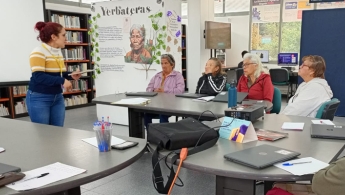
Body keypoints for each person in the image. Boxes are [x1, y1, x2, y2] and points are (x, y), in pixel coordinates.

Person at [26, 21, 81, 127]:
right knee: (43, 134)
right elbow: (38, 76)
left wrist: (70, 75)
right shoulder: (38, 52)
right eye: (64, 35)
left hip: (57, 97)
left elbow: (58, 73)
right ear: (54, 37)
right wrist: (62, 81)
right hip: (39, 98)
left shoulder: (57, 51)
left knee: (57, 132)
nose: (66, 38)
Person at [145, 54, 185, 129]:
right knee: (146, 114)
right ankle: (151, 135)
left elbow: (180, 90)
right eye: (162, 63)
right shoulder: (157, 76)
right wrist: (154, 90)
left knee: (162, 114)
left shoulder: (177, 76)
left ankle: (164, 137)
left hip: (171, 105)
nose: (163, 66)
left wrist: (165, 90)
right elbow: (148, 89)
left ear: (172, 64)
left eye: (166, 63)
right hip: (157, 105)